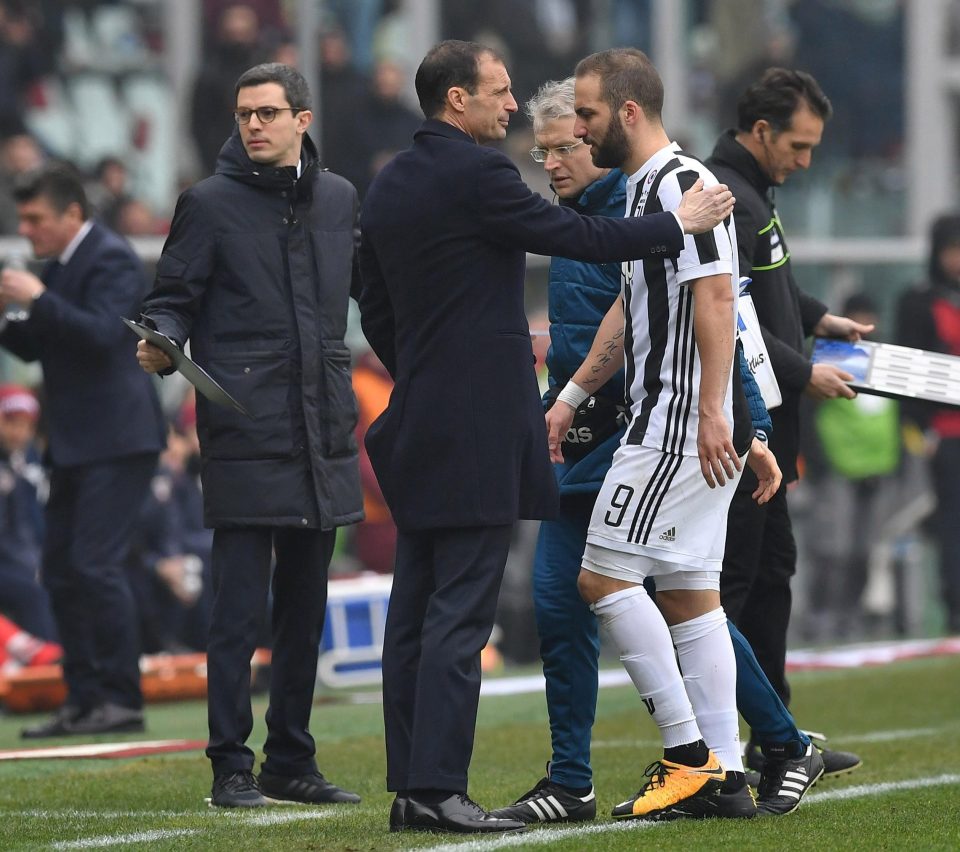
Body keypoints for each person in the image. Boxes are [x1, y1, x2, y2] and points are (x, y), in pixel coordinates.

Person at [358, 39, 733, 835]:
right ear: (456, 101)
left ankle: (410, 785)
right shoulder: (481, 175)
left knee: (415, 610)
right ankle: (438, 792)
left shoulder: (390, 180)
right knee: (462, 614)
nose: (509, 104)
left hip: (418, 417)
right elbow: (580, 240)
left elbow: (371, 294)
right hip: (479, 428)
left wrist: (423, 368)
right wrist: (679, 223)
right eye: (497, 92)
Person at [492, 76, 823, 826]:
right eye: (544, 148)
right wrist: (569, 398)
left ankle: (693, 758)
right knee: (683, 597)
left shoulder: (675, 191)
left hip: (658, 428)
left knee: (600, 584)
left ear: (618, 121)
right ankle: (735, 764)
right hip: (614, 432)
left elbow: (719, 308)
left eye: (572, 133)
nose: (553, 158)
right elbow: (628, 310)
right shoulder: (625, 209)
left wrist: (735, 419)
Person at [136, 62, 364, 810]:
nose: (253, 125)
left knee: (304, 612)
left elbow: (370, 298)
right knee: (237, 614)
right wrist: (162, 339)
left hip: (322, 429)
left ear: (303, 118)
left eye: (268, 112)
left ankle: (290, 761)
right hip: (243, 427)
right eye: (243, 114)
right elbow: (172, 298)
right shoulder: (206, 204)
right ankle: (231, 766)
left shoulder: (339, 200)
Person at [705, 67, 867, 780]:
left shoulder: (752, 194)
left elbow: (770, 286)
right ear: (762, 130)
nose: (806, 162)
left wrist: (817, 319)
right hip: (745, 428)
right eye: (798, 146)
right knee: (733, 589)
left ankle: (777, 741)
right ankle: (716, 750)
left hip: (771, 428)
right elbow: (727, 321)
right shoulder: (723, 197)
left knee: (770, 579)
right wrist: (807, 373)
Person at [0, 163, 166, 738]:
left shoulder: (112, 258)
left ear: (72, 213)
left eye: (36, 218)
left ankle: (121, 698)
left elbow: (103, 335)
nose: (27, 230)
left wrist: (39, 296)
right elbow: (40, 339)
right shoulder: (63, 266)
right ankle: (83, 698)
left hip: (118, 440)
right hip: (74, 441)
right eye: (22, 219)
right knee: (63, 572)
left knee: (95, 565)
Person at [896, 213, 960, 634]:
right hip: (944, 435)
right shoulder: (918, 300)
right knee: (950, 522)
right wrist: (921, 434)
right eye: (951, 250)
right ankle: (954, 604)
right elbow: (907, 372)